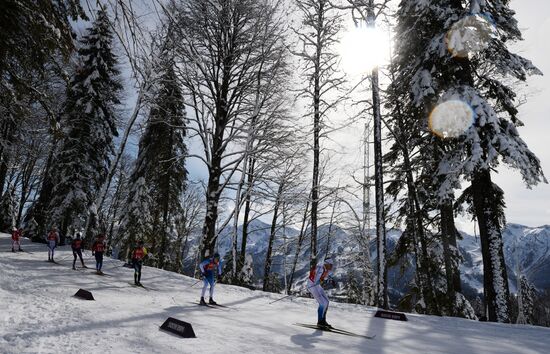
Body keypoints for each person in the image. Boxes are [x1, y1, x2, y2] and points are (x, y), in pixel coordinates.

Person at [308, 258, 334, 329]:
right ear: (327, 264)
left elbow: (322, 278)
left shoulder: (326, 269)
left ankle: (323, 321)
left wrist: (330, 280)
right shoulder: (321, 268)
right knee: (322, 303)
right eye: (331, 265)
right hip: (313, 286)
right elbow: (316, 280)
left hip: (317, 285)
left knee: (327, 301)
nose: (332, 266)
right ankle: (320, 322)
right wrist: (324, 281)